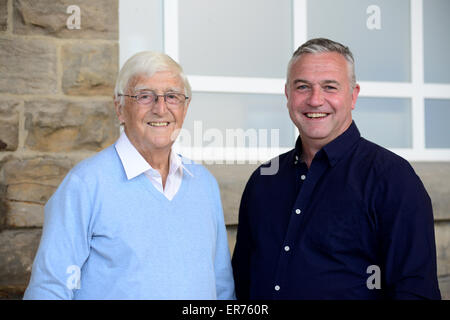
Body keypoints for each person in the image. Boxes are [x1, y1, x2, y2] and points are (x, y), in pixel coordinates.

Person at [232, 38, 441, 300]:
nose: (315, 100)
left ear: (353, 96)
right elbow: (242, 282)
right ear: (287, 95)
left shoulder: (393, 179)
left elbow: (415, 291)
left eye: (329, 87)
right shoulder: (263, 180)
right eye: (303, 87)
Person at [24, 51, 235, 299]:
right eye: (145, 96)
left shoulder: (204, 185)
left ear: (185, 108)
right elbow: (50, 287)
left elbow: (221, 287)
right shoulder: (85, 184)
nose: (161, 108)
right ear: (120, 108)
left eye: (172, 96)